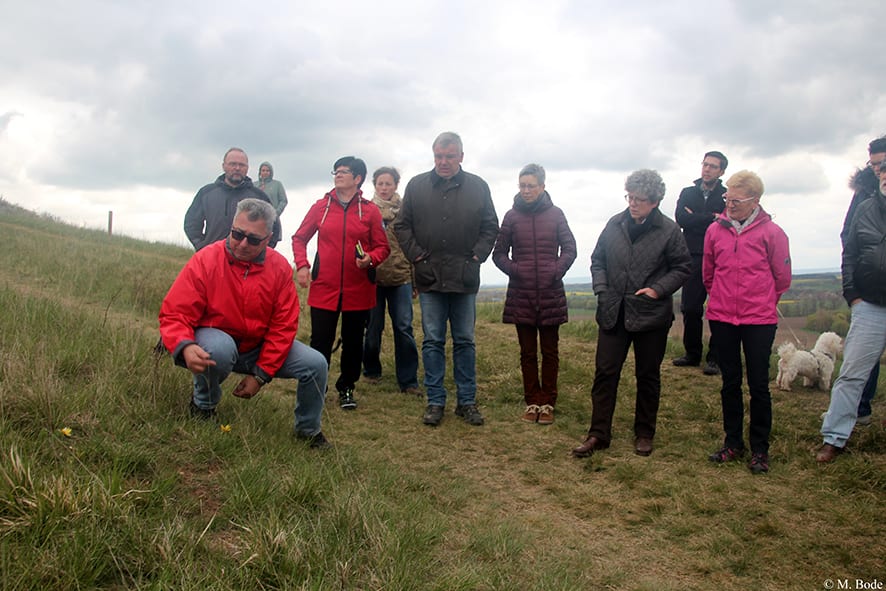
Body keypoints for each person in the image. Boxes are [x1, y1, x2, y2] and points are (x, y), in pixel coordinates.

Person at [159, 198, 330, 448]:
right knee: (219, 348)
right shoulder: (206, 259)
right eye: (237, 234)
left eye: (253, 239)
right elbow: (175, 313)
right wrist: (184, 346)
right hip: (217, 340)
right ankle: (203, 406)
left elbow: (283, 326)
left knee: (316, 364)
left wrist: (260, 376)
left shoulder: (280, 268)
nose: (241, 243)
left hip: (258, 347)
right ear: (232, 226)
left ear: (269, 237)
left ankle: (308, 431)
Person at [572, 170, 691, 458]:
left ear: (655, 201)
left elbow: (682, 268)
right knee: (605, 373)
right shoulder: (615, 223)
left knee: (647, 375)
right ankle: (598, 434)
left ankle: (644, 434)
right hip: (613, 311)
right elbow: (597, 259)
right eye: (630, 197)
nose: (633, 203)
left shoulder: (669, 230)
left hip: (651, 315)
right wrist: (601, 289)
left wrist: (657, 290)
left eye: (640, 199)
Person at [394, 132, 499, 427]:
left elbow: (491, 227)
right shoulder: (416, 186)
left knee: (465, 340)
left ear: (461, 157)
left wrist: (477, 257)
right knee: (433, 341)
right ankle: (435, 401)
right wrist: (417, 258)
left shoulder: (478, 187)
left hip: (465, 278)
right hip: (429, 277)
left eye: (449, 156)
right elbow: (402, 226)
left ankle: (467, 401)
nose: (443, 162)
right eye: (439, 156)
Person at [703, 171, 791, 474]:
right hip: (723, 317)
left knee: (758, 385)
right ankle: (732, 443)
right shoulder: (715, 230)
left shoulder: (773, 234)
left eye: (736, 200)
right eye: (727, 198)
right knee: (729, 382)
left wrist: (763, 301)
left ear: (755, 200)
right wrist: (721, 300)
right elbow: (708, 273)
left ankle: (760, 450)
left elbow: (782, 278)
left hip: (759, 320)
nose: (730, 203)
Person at [292, 156, 390, 411]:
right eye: (336, 171)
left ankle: (347, 387)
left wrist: (370, 259)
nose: (338, 175)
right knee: (319, 342)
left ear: (358, 179)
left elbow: (383, 247)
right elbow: (299, 238)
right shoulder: (320, 207)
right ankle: (316, 388)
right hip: (324, 287)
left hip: (359, 290)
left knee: (353, 342)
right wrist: (302, 265)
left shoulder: (369, 210)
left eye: (344, 171)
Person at [493, 163, 577, 425]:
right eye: (522, 186)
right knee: (527, 352)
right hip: (522, 294)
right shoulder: (511, 217)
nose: (526, 190)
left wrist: (556, 270)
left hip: (551, 293)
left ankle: (548, 403)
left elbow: (570, 249)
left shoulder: (556, 214)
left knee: (550, 352)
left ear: (542, 186)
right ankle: (532, 401)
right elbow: (498, 254)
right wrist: (516, 271)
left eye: (531, 186)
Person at [817, 158, 886, 463]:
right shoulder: (866, 208)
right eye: (883, 171)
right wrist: (852, 293)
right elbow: (851, 251)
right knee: (852, 374)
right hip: (869, 304)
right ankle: (834, 438)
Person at [361, 166, 422, 395]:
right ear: (374, 186)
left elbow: (414, 246)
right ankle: (371, 370)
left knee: (403, 328)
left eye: (388, 184)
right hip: (373, 277)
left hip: (401, 276)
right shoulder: (366, 210)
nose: (384, 188)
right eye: (380, 184)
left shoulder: (407, 211)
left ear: (396, 185)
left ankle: (408, 380)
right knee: (373, 327)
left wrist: (416, 282)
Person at [838, 137, 885, 426]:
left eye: (883, 163)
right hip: (868, 293)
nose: (879, 169)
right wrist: (852, 291)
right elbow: (848, 236)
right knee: (858, 363)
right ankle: (859, 410)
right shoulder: (864, 194)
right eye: (875, 164)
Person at [672, 151, 728, 376]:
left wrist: (696, 217)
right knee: (691, 307)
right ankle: (692, 354)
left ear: (722, 171)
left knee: (717, 308)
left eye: (713, 166)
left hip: (719, 256)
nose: (707, 169)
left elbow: (725, 222)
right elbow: (680, 219)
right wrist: (710, 217)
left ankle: (715, 358)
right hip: (693, 255)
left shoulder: (726, 195)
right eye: (705, 165)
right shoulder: (688, 192)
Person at [183, 147, 281, 251]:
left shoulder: (259, 197)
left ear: (247, 168)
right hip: (213, 259)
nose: (237, 168)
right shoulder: (206, 193)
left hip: (247, 263)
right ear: (224, 166)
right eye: (232, 164)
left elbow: (274, 229)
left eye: (241, 165)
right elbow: (191, 224)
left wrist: (260, 252)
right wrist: (202, 247)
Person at [256, 161, 289, 244]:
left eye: (267, 171)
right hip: (256, 220)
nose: (265, 172)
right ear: (260, 172)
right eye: (263, 170)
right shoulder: (254, 185)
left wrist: (275, 213)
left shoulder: (277, 185)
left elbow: (283, 200)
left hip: (272, 220)